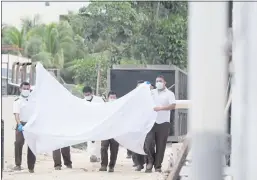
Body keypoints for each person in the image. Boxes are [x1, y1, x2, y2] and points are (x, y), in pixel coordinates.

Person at [144, 75, 176, 173]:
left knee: (161, 146)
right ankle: (150, 161)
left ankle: (158, 166)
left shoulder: (169, 94)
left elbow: (173, 105)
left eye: (160, 81)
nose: (158, 83)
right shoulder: (151, 93)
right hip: (151, 122)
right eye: (157, 81)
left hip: (163, 123)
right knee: (147, 143)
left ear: (164, 83)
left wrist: (161, 108)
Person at [12, 82, 36, 173]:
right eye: (24, 88)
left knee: (31, 146)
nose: (26, 90)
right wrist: (19, 125)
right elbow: (16, 115)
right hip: (21, 124)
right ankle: (18, 164)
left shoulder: (33, 100)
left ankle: (31, 167)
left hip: (31, 125)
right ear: (20, 89)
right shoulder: (17, 101)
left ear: (30, 89)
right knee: (18, 143)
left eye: (27, 88)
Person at [83, 86, 105, 162]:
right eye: (85, 95)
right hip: (88, 124)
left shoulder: (99, 100)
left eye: (88, 94)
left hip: (98, 123)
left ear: (92, 93)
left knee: (97, 141)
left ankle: (98, 156)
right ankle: (91, 155)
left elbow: (103, 110)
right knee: (90, 141)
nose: (87, 96)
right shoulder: (83, 101)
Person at [99, 91, 120, 172]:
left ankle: (111, 166)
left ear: (116, 98)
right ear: (108, 98)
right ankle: (103, 165)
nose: (112, 99)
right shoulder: (104, 107)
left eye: (114, 97)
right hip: (105, 131)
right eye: (111, 97)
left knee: (114, 150)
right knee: (103, 147)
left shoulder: (119, 107)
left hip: (115, 131)